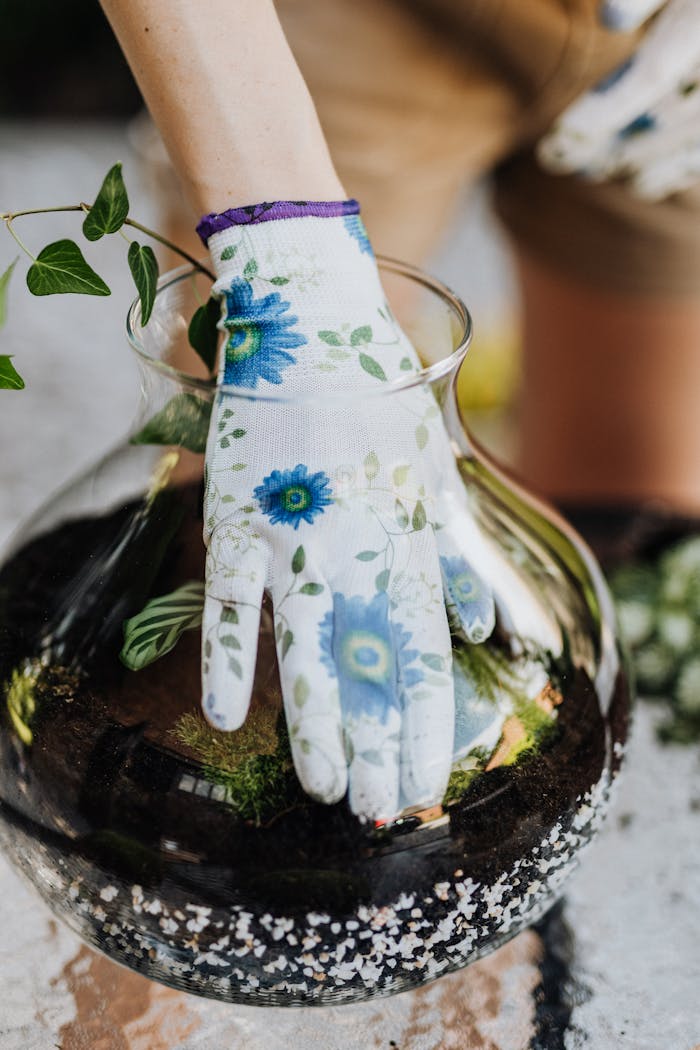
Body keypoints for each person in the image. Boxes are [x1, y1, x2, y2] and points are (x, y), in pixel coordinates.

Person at [98, 0, 700, 818]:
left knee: (627, 530)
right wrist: (284, 242)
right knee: (241, 599)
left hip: (664, 53)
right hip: (353, 28)